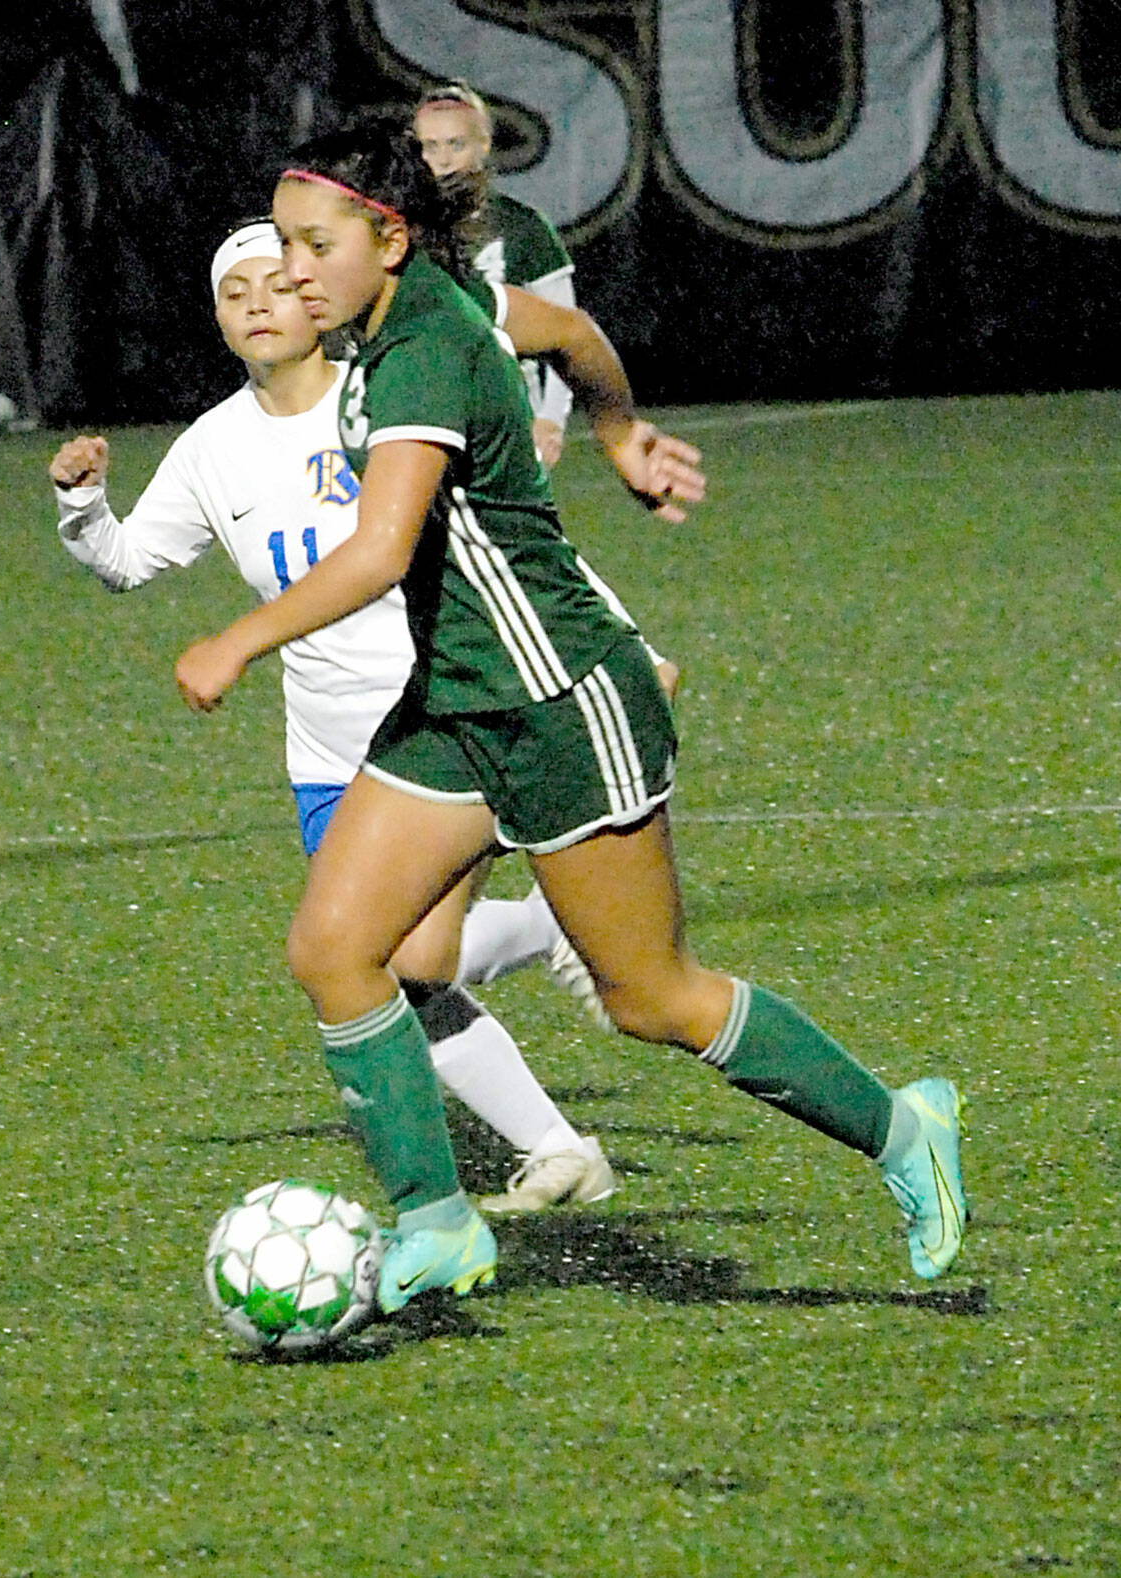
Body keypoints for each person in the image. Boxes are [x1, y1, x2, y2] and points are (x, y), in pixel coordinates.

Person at [175, 122, 967, 1314]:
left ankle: (904, 1127)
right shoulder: (422, 306)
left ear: (387, 239)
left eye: (312, 245)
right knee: (336, 950)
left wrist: (236, 638)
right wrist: (617, 432)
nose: (289, 271)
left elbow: (382, 550)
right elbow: (570, 336)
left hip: (559, 701)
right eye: (281, 243)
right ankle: (437, 1223)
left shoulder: (423, 352)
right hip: (456, 704)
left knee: (650, 996)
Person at [48, 218, 618, 1215]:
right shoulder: (213, 448)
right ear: (218, 320)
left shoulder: (388, 400)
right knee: (393, 970)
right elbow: (128, 563)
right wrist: (84, 507)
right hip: (325, 752)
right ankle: (558, 1134)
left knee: (405, 959)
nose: (258, 305)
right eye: (235, 295)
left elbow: (502, 539)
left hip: (446, 717)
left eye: (275, 284)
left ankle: (543, 964)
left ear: (317, 298)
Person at [414, 81, 575, 469]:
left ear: (483, 144)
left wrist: (551, 419)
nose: (443, 160)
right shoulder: (396, 226)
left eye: (456, 144)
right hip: (418, 410)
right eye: (430, 146)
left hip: (508, 417)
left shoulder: (522, 227)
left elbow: (567, 332)